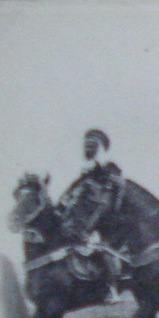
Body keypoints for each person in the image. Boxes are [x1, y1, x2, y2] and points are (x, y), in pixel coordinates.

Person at [58, 128, 125, 301]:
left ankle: (112, 288)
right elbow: (70, 193)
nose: (88, 149)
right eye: (86, 145)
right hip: (83, 218)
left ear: (101, 148)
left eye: (93, 145)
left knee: (101, 247)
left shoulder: (109, 168)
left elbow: (114, 191)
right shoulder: (84, 174)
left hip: (105, 219)